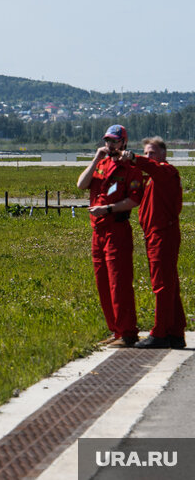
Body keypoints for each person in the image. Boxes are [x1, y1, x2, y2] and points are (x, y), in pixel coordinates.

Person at [77, 124, 144, 347]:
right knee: (103, 283)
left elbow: (134, 200)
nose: (110, 145)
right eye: (107, 141)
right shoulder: (101, 164)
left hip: (117, 229)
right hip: (99, 232)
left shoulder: (131, 169)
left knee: (119, 283)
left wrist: (107, 209)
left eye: (114, 141)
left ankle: (128, 332)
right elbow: (81, 184)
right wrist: (96, 159)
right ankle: (116, 330)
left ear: (123, 142)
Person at [122, 137, 187, 348]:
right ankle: (176, 332)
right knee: (170, 284)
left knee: (161, 284)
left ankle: (159, 333)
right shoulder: (153, 177)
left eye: (152, 153)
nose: (148, 156)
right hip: (155, 234)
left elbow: (151, 167)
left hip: (163, 234)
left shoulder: (166, 172)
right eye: (146, 152)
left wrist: (135, 158)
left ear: (162, 154)